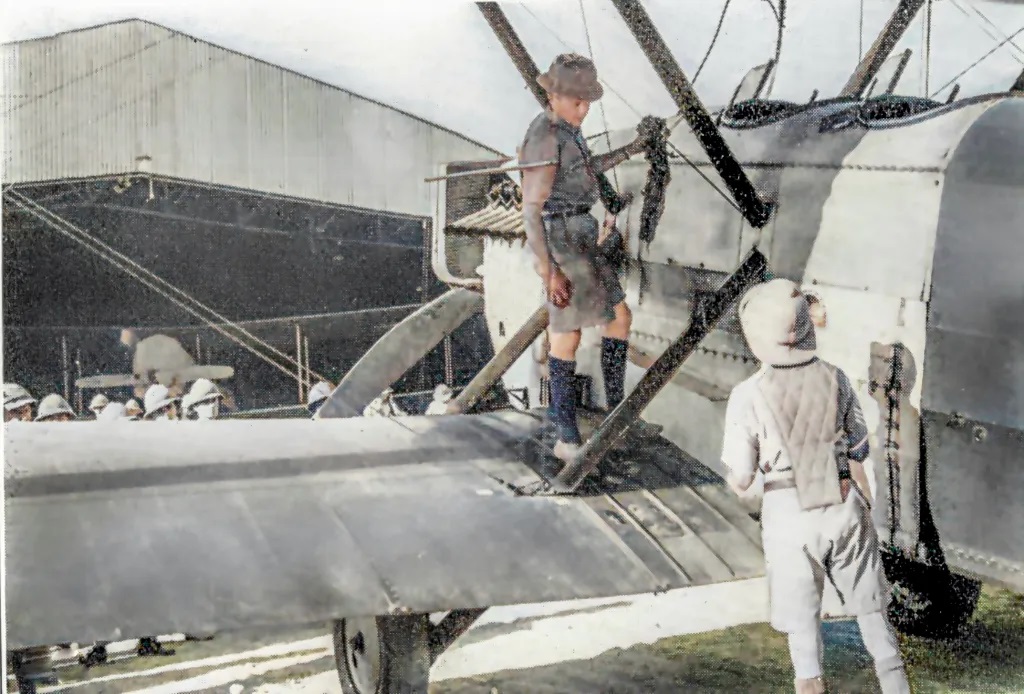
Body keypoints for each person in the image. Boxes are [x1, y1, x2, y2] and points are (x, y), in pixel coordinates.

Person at [721, 279, 910, 694]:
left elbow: (742, 476)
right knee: (875, 621)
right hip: (843, 503)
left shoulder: (747, 394)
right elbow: (859, 449)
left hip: (790, 515)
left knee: (805, 645)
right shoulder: (836, 377)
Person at [519, 52, 663, 464]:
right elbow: (531, 211)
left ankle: (615, 412)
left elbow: (585, 168)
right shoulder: (544, 136)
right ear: (555, 95)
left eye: (587, 102)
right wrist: (550, 274)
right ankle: (566, 435)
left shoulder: (568, 130)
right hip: (561, 240)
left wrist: (633, 148)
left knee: (619, 318)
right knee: (567, 337)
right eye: (577, 101)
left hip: (581, 233)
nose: (584, 109)